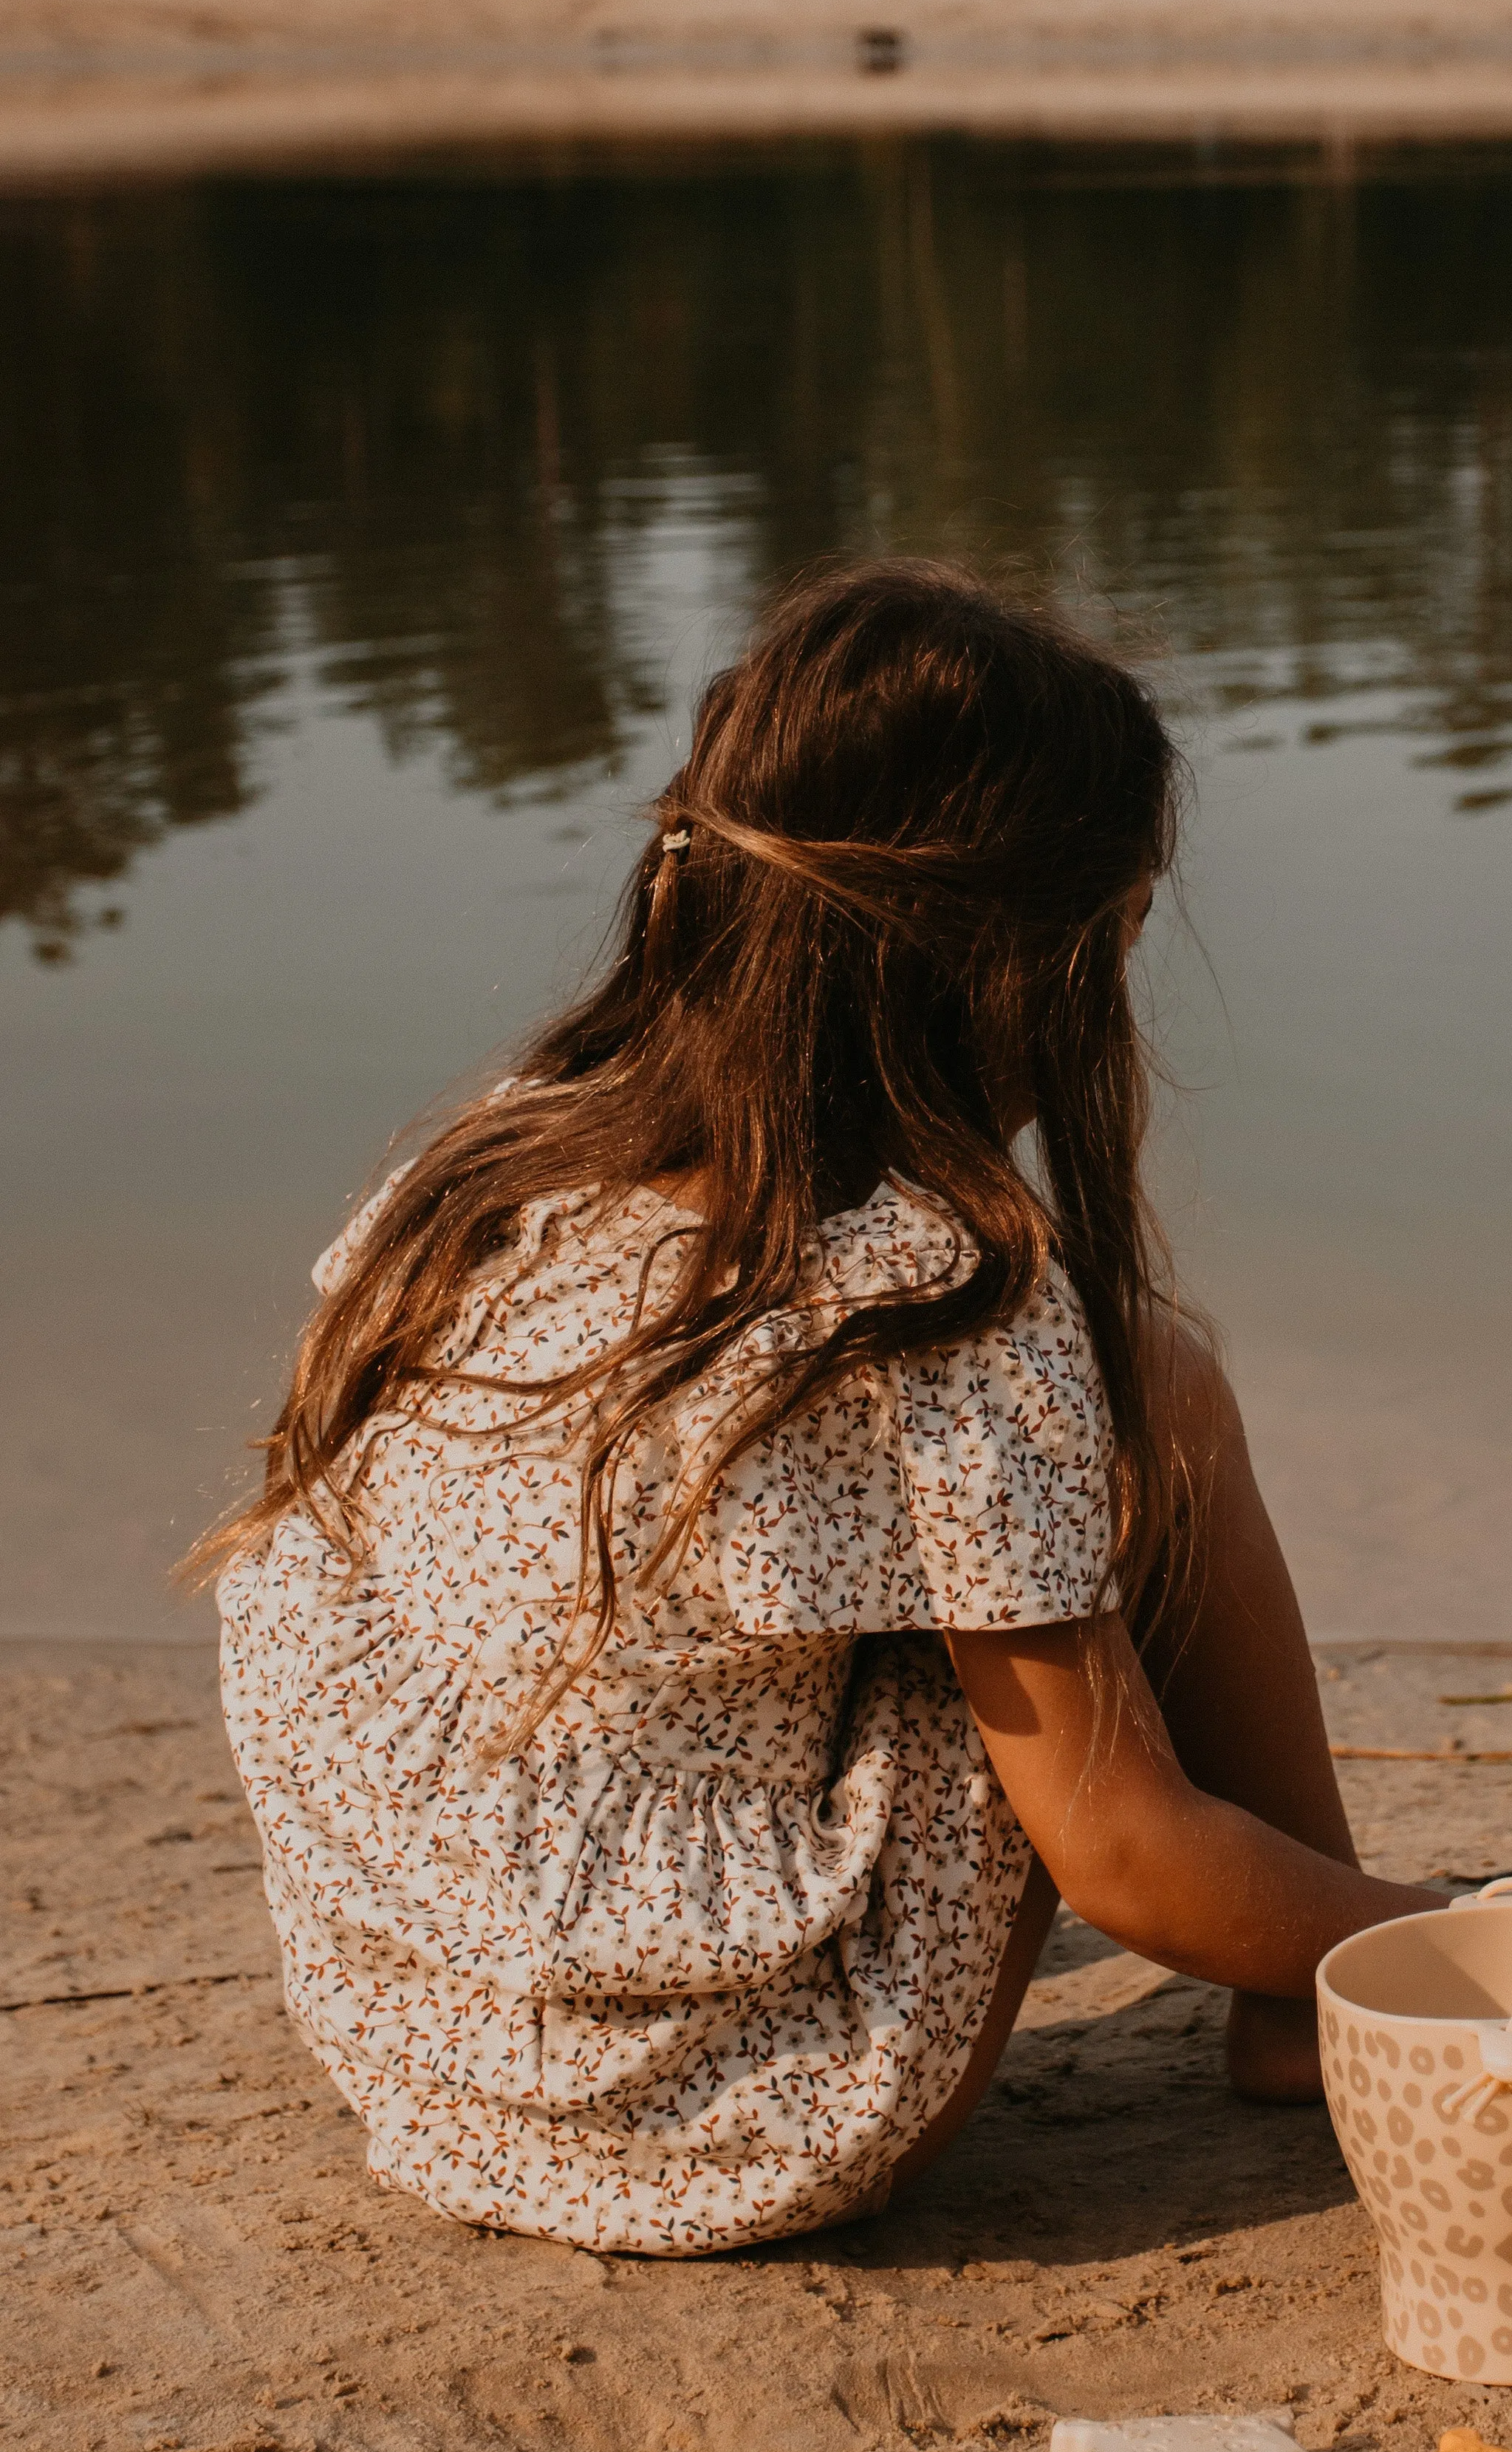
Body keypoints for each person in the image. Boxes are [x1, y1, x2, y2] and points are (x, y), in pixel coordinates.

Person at [198, 559, 1437, 2258]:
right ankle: (1334, 1988)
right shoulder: (933, 1307)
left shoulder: (505, 1154)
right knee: (1160, 1388)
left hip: (428, 2054)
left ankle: (1309, 1973)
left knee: (1002, 1494)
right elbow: (1127, 1863)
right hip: (736, 2121)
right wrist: (1439, 1936)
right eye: (1128, 931)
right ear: (1026, 969)